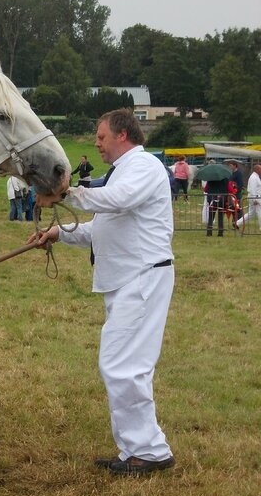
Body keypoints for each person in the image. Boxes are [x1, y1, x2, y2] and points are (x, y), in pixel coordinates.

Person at [29, 108, 175, 476]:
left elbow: (116, 201)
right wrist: (58, 233)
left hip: (141, 277)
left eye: (101, 137)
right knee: (123, 364)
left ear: (123, 135)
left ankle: (149, 451)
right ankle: (135, 449)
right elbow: (102, 229)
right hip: (127, 279)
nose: (97, 144)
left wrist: (66, 192)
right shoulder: (122, 174)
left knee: (124, 365)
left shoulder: (142, 168)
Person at [235, 163, 261, 231]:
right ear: (257, 169)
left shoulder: (256, 177)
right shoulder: (253, 177)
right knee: (259, 212)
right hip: (255, 197)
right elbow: (252, 189)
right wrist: (254, 199)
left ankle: (237, 223)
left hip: (255, 197)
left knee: (251, 213)